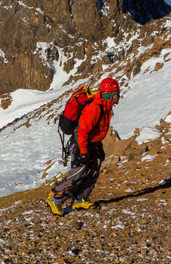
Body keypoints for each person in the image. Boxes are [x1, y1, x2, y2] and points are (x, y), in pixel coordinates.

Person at [46, 77, 120, 216]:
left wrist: (99, 148)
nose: (118, 96)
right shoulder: (95, 108)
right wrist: (83, 151)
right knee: (77, 174)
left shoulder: (104, 107)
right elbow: (82, 131)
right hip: (81, 144)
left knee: (93, 172)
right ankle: (55, 198)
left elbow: (95, 131)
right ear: (109, 93)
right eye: (116, 93)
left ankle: (80, 199)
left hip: (91, 144)